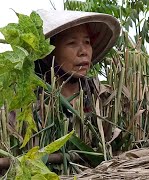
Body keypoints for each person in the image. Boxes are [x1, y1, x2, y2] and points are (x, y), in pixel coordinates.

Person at [33, 9, 121, 158]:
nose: (83, 51)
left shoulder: (104, 97)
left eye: (87, 42)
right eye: (72, 43)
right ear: (47, 54)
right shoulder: (32, 105)